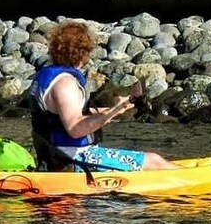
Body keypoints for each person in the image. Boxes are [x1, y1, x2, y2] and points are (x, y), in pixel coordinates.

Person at [30, 21, 179, 171]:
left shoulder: (49, 76)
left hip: (57, 156)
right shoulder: (65, 84)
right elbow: (75, 128)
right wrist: (113, 111)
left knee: (155, 160)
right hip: (74, 159)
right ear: (83, 52)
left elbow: (67, 116)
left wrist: (114, 109)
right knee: (154, 161)